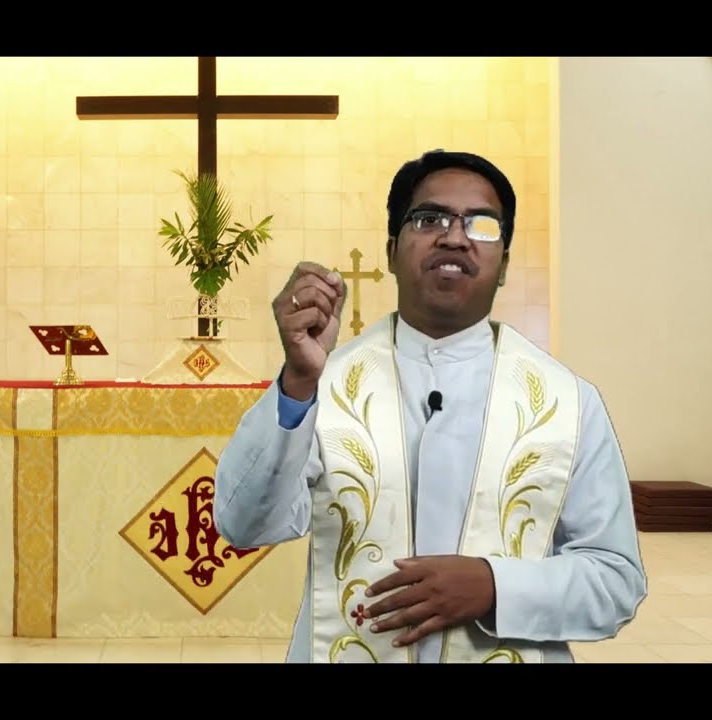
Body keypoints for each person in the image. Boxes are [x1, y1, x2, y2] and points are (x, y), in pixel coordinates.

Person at [213, 149, 647, 663]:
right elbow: (243, 523)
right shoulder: (325, 383)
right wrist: (298, 384)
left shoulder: (568, 402)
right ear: (392, 250)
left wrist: (495, 587)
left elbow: (615, 580)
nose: (455, 237)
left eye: (482, 224)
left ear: (504, 265)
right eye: (429, 218)